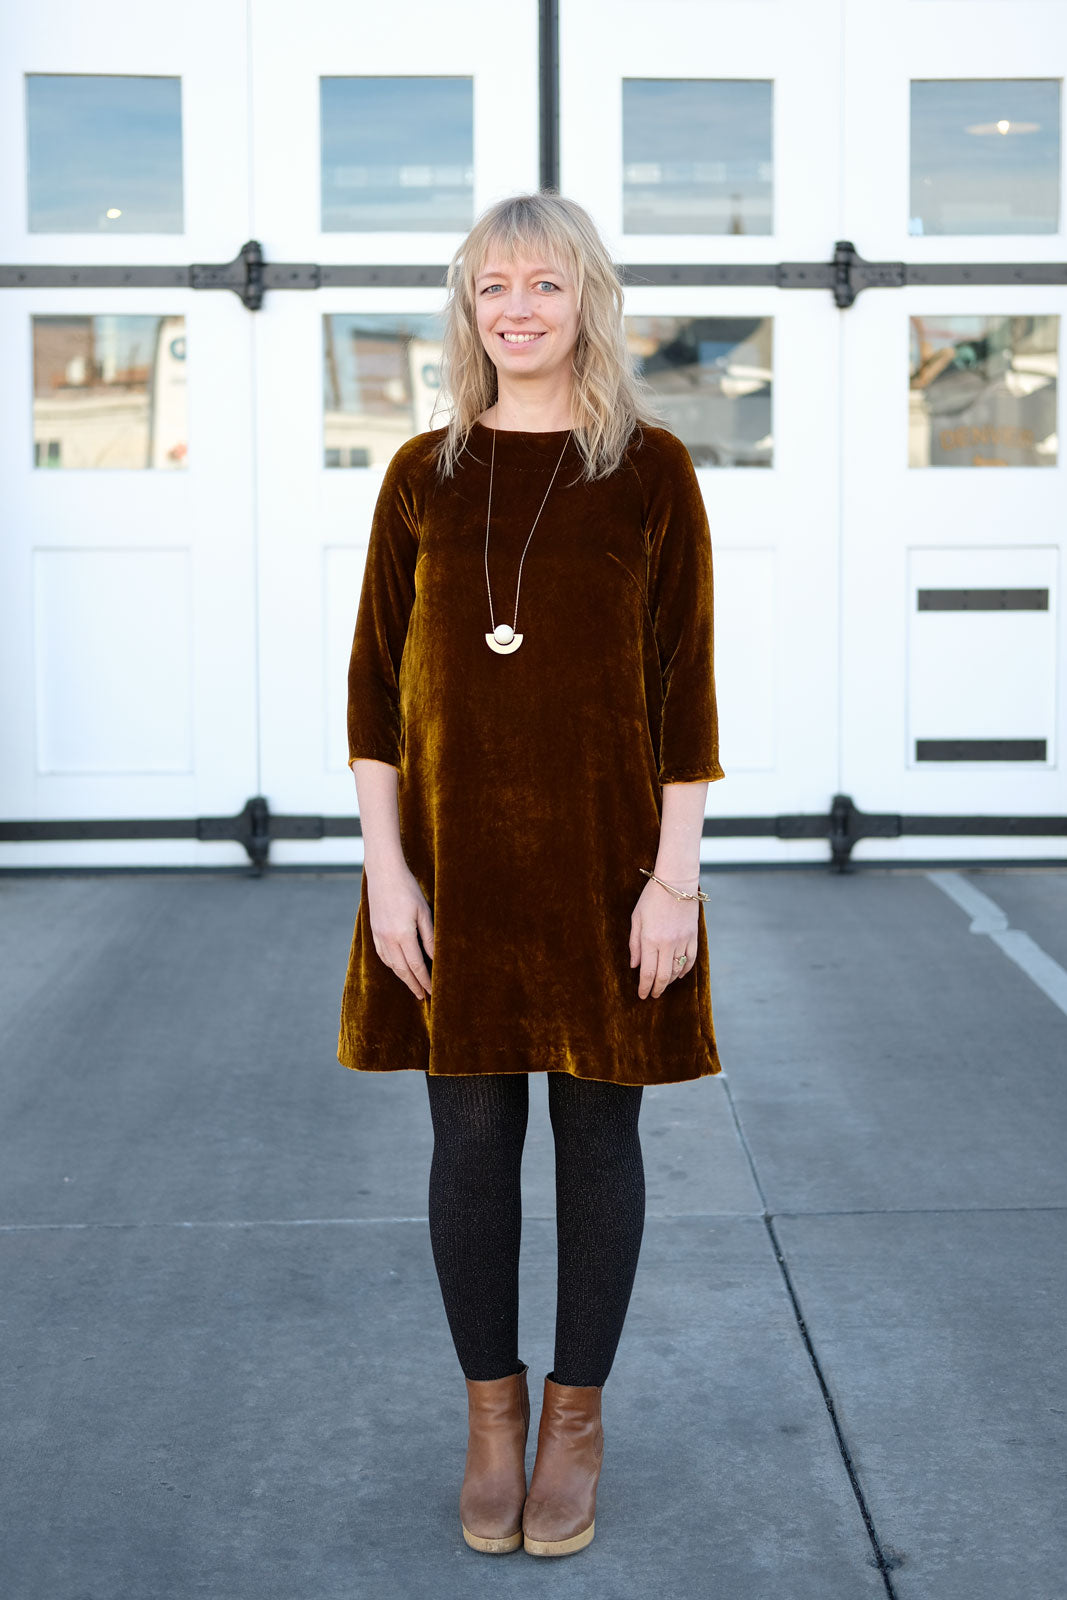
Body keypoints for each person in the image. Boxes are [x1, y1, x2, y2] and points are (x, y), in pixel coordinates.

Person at [337, 191, 724, 1559]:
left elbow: (687, 698)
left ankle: (574, 1424)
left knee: (599, 1143)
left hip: (613, 878)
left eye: (544, 285)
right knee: (471, 1144)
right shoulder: (420, 477)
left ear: (586, 304)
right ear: (469, 309)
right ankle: (490, 1422)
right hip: (456, 879)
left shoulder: (653, 473)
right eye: (493, 285)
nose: (518, 308)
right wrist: (389, 875)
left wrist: (673, 882)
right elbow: (375, 700)